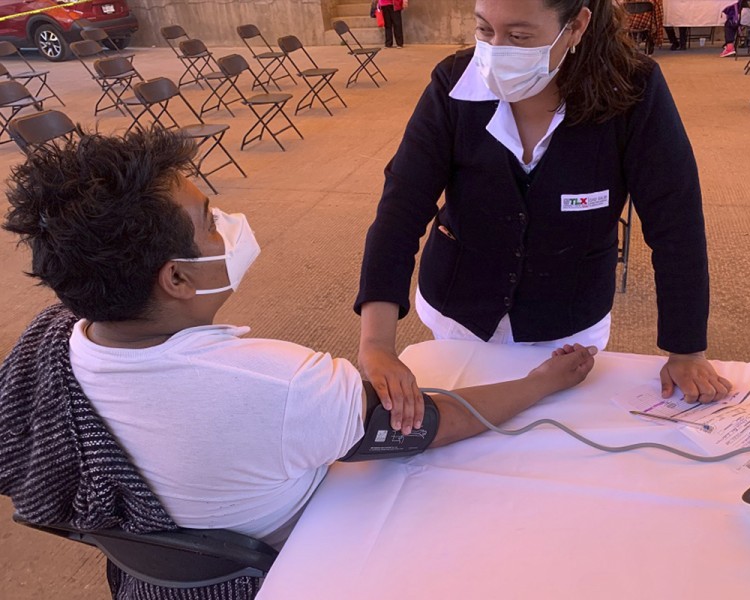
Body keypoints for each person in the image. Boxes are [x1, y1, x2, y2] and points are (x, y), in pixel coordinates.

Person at [0, 128, 597, 553]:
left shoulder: (49, 343)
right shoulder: (278, 386)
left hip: (164, 563)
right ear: (176, 277)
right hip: (294, 558)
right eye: (209, 221)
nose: (226, 226)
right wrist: (539, 382)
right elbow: (431, 423)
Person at [355, 0, 733, 437]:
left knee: (556, 445)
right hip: (461, 311)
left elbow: (676, 222)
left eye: (519, 37)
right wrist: (377, 344)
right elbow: (402, 207)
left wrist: (686, 350)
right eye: (484, 30)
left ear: (576, 26)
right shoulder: (454, 83)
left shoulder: (633, 90)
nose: (496, 51)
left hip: (568, 324)